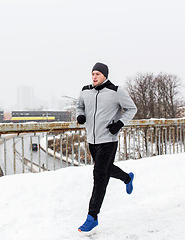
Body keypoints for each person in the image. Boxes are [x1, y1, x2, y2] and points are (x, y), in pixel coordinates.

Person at [76, 62, 137, 232]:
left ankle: (92, 216)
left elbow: (132, 109)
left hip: (108, 140)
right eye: (92, 73)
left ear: (105, 75)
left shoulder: (116, 91)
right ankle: (127, 178)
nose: (94, 77)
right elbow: (79, 106)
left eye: (97, 74)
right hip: (92, 140)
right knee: (106, 169)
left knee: (99, 176)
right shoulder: (85, 90)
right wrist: (80, 115)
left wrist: (119, 124)